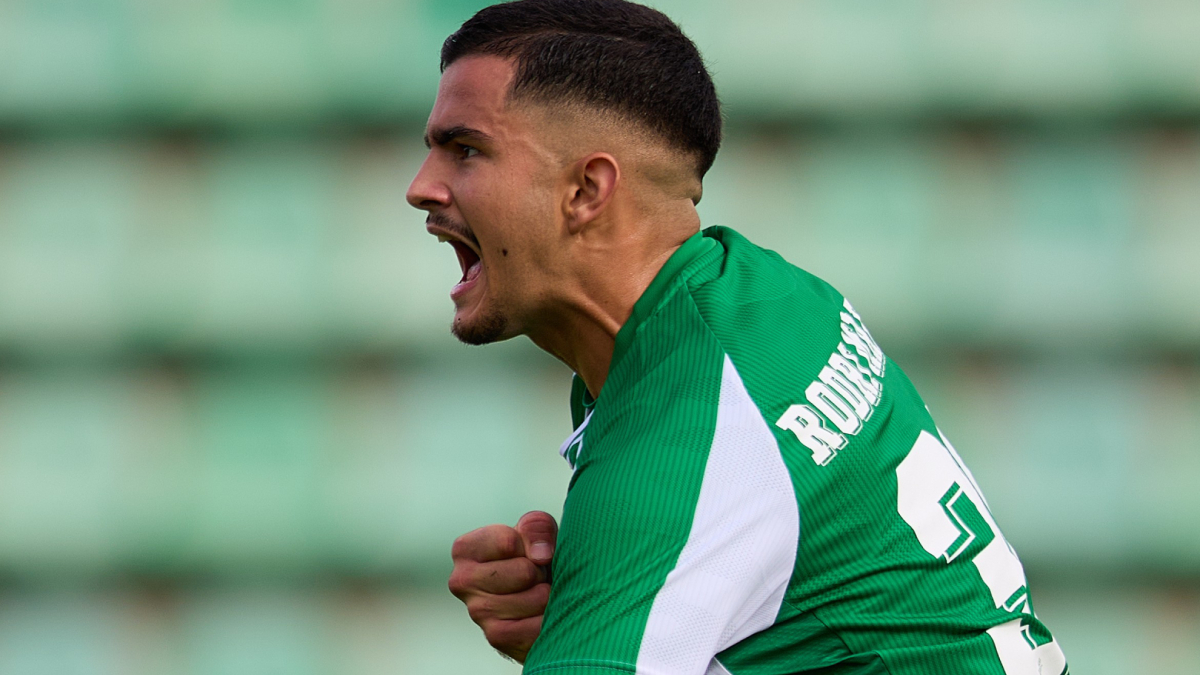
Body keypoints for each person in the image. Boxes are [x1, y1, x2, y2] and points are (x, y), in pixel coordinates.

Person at [406, 1, 1070, 673]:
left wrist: (593, 631)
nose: (420, 188)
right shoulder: (763, 296)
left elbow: (702, 471)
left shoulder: (684, 429)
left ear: (586, 189)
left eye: (466, 150)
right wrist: (598, 614)